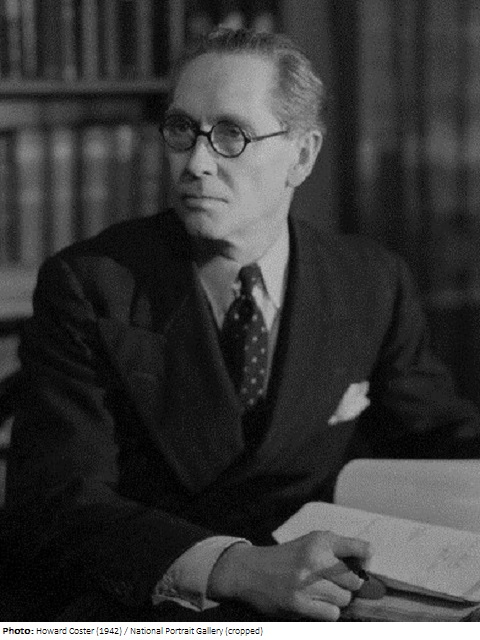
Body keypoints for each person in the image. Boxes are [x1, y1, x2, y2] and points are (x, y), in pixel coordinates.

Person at [4, 28, 480, 623]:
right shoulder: (90, 284)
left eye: (232, 135)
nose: (196, 163)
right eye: (182, 129)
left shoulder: (370, 281)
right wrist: (237, 567)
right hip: (145, 602)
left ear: (302, 156)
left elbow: (435, 435)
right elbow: (57, 502)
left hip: (316, 601)